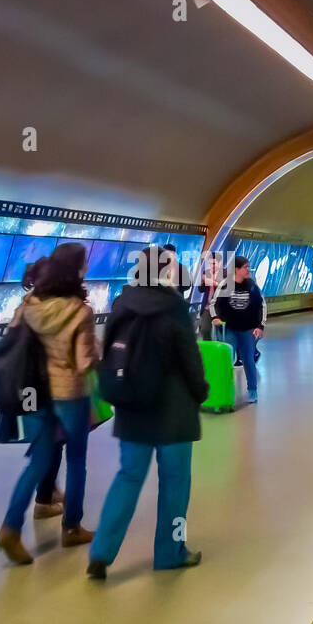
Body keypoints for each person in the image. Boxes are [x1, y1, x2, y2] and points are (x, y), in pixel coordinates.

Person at [87, 246, 206, 579]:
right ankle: (171, 552)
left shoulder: (121, 305)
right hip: (174, 413)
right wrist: (200, 393)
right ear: (163, 271)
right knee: (175, 485)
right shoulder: (175, 308)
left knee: (127, 478)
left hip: (132, 411)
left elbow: (109, 355)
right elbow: (190, 362)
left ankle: (101, 552)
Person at [0, 242, 98, 564]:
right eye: (84, 264)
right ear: (76, 271)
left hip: (33, 392)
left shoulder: (28, 305)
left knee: (38, 461)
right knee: (77, 459)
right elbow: (84, 362)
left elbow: (12, 339)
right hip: (69, 393)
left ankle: (10, 528)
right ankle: (72, 527)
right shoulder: (80, 311)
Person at [18, 259, 64, 521]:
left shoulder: (26, 306)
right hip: (44, 386)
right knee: (54, 442)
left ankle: (49, 489)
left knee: (46, 439)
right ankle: (43, 501)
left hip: (27, 386)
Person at [211, 255, 266, 403]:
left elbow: (262, 306)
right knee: (227, 359)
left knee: (248, 359)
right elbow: (213, 304)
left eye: (248, 267)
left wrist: (260, 326)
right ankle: (226, 390)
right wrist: (215, 317)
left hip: (248, 329)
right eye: (245, 267)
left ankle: (252, 390)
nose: (248, 270)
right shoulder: (225, 284)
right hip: (229, 328)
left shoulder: (253, 287)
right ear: (236, 269)